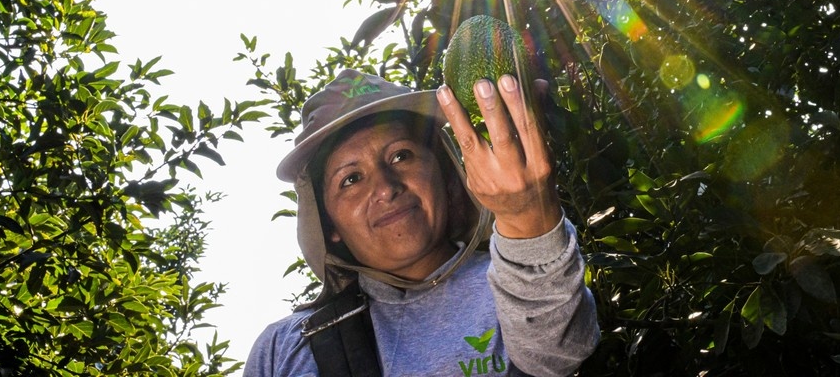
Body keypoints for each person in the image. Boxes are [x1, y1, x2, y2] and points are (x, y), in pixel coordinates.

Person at [245, 68, 600, 377]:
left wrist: (526, 221)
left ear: (446, 175)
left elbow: (557, 352)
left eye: (401, 155)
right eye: (350, 179)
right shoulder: (285, 347)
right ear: (329, 225)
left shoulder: (519, 281)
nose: (385, 188)